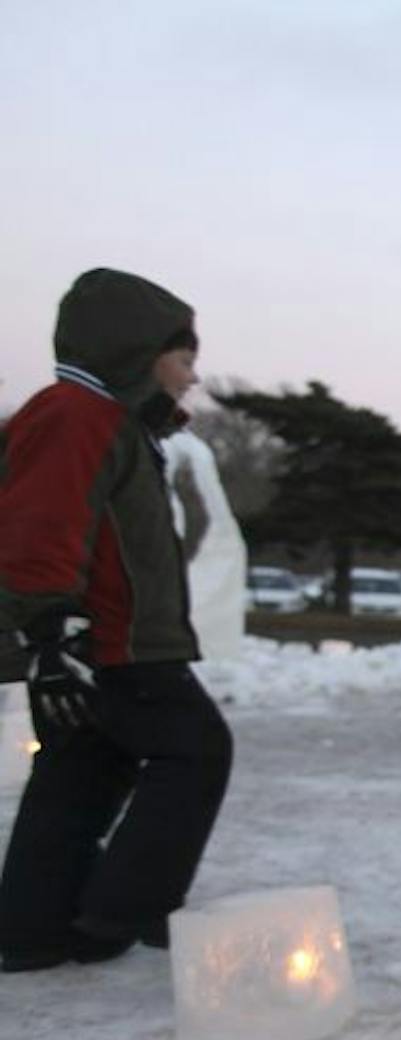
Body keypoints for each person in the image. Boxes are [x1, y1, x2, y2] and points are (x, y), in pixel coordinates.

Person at [0, 268, 232, 973]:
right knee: (196, 750)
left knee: (83, 769)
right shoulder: (77, 416)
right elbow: (39, 527)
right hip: (110, 644)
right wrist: (51, 635)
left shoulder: (112, 424)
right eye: (183, 359)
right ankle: (124, 909)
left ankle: (33, 929)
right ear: (138, 352)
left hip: (103, 642)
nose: (192, 377)